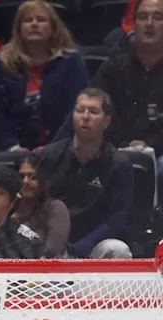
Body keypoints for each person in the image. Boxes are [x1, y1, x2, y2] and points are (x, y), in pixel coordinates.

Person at [93, 0, 163, 235]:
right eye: (142, 17)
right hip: (119, 147)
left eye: (157, 17)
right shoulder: (114, 68)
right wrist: (125, 144)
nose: (149, 23)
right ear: (133, 24)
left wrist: (149, 145)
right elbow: (98, 110)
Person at [36, 88, 134, 258]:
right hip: (51, 243)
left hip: (93, 246)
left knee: (118, 249)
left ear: (107, 121)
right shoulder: (50, 155)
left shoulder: (119, 163)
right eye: (80, 110)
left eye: (93, 111)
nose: (85, 117)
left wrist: (80, 249)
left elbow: (116, 218)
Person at [0, 0, 87, 152]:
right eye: (27, 20)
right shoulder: (3, 63)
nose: (34, 24)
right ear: (18, 29)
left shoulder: (71, 62)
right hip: (12, 150)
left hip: (62, 150)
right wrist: (12, 147)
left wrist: (56, 148)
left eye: (41, 19)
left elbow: (77, 109)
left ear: (53, 27)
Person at [11, 152, 69, 256]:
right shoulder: (6, 211)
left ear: (42, 179)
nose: (26, 181)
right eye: (21, 176)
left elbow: (53, 253)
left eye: (32, 176)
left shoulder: (54, 208)